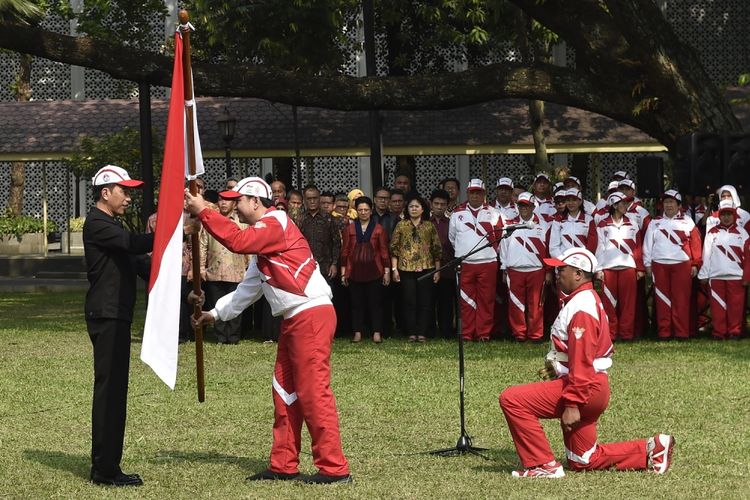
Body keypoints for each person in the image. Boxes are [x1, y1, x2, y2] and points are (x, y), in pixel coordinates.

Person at [186, 176, 351, 484]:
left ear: (255, 201)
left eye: (239, 201)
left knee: (313, 392)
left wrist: (205, 211)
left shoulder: (276, 222)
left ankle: (334, 468)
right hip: (295, 319)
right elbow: (247, 291)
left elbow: (237, 240)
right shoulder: (264, 243)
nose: (235, 207)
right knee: (285, 391)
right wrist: (214, 314)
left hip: (310, 316)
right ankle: (283, 464)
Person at [499, 247, 674, 478]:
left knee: (512, 399)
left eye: (562, 269)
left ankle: (542, 465)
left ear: (578, 274)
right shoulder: (585, 300)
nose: (558, 273)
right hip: (591, 387)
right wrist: (560, 369)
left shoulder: (582, 306)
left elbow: (583, 360)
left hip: (585, 389)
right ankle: (652, 449)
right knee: (583, 460)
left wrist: (572, 403)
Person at [84, 165, 154, 487]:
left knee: (115, 392)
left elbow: (141, 264)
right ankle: (105, 469)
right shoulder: (99, 223)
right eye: (124, 191)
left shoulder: (112, 224)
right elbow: (133, 244)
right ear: (105, 193)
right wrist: (168, 230)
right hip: (107, 314)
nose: (128, 197)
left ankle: (107, 463)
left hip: (116, 314)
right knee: (110, 393)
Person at [643, 189, 702, 341]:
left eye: (672, 202)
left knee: (681, 299)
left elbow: (695, 244)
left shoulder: (688, 221)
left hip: (682, 264)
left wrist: (695, 264)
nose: (668, 205)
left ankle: (681, 332)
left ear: (679, 205)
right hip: (659, 264)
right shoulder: (655, 223)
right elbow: (647, 244)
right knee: (662, 299)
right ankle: (664, 332)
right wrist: (647, 264)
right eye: (666, 202)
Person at [448, 179, 502, 342]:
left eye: (478, 193)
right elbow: (452, 238)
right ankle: (467, 333)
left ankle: (483, 333)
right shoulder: (457, 213)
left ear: (484, 194)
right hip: (465, 263)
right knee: (465, 299)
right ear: (467, 193)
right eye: (472, 192)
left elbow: (499, 237)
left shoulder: (494, 213)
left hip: (487, 262)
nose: (475, 196)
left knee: (486, 299)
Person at [498, 192, 552, 342]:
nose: (523, 208)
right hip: (514, 270)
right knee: (515, 304)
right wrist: (504, 268)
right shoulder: (509, 224)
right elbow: (504, 248)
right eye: (521, 205)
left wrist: (548, 271)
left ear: (533, 206)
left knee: (536, 305)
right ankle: (519, 334)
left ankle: (536, 335)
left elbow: (548, 250)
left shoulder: (544, 225)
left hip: (536, 270)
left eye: (527, 205)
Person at [200, 194, 251, 344]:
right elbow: (203, 245)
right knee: (216, 303)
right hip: (215, 270)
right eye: (221, 200)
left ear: (234, 204)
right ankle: (220, 336)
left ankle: (234, 336)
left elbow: (249, 245)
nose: (223, 203)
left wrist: (249, 267)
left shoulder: (241, 223)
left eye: (227, 200)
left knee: (236, 303)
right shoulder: (210, 222)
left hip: (236, 271)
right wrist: (202, 267)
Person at [594, 192, 645, 341]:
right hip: (608, 268)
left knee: (628, 304)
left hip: (628, 267)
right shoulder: (602, 224)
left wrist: (640, 268)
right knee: (609, 303)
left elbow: (638, 248)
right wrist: (599, 269)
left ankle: (626, 334)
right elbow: (599, 248)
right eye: (622, 203)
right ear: (614, 206)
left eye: (626, 203)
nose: (626, 206)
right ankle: (610, 334)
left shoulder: (633, 223)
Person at [390, 195, 442, 342]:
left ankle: (422, 332)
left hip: (427, 268)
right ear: (407, 209)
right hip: (406, 270)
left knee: (425, 302)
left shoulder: (429, 226)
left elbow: (436, 249)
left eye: (417, 206)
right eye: (411, 206)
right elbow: (394, 248)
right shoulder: (401, 225)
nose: (414, 209)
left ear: (422, 209)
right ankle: (412, 332)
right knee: (409, 301)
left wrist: (437, 271)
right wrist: (394, 269)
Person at [340, 196, 391, 343]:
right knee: (356, 304)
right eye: (360, 210)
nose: (363, 212)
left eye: (366, 210)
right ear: (356, 211)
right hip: (354, 270)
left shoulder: (378, 229)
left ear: (371, 211)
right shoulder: (349, 229)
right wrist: (343, 272)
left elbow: (384, 251)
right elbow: (345, 251)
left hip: (374, 270)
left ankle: (376, 332)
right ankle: (357, 332)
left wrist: (387, 271)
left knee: (375, 303)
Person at [698, 199, 750, 340]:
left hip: (736, 277)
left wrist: (746, 277)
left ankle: (735, 332)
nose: (726, 217)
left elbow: (748, 258)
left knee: (736, 307)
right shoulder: (712, 233)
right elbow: (706, 255)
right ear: (719, 216)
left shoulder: (743, 233)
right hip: (716, 276)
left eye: (729, 214)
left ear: (734, 216)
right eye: (723, 214)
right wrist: (704, 274)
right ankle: (719, 332)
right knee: (717, 307)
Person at [298, 184, 341, 281]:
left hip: (326, 267)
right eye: (309, 199)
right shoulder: (299, 219)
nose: (312, 201)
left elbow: (336, 243)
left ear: (319, 199)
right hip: (305, 268)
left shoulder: (329, 219)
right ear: (304, 200)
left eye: (315, 198)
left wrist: (334, 264)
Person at [430, 189, 456, 339]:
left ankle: (446, 331)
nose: (439, 207)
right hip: (428, 268)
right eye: (436, 204)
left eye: (443, 204)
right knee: (429, 301)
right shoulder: (425, 223)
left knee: (446, 302)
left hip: (447, 268)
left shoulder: (452, 222)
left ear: (447, 205)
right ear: (431, 204)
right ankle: (430, 330)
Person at [549, 188, 598, 258]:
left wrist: (584, 261)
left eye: (574, 200)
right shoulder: (558, 220)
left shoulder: (589, 220)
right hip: (563, 263)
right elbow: (553, 246)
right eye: (568, 200)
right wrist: (562, 261)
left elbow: (592, 245)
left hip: (582, 263)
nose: (571, 203)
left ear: (580, 202)